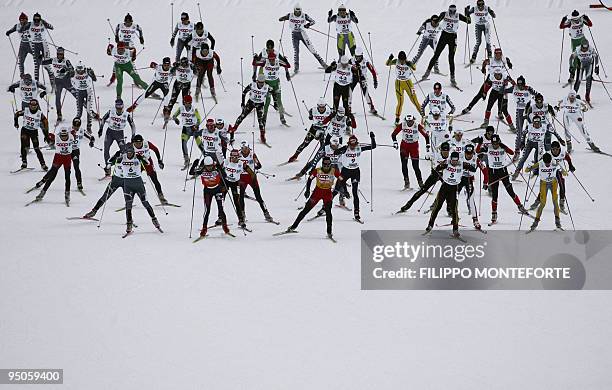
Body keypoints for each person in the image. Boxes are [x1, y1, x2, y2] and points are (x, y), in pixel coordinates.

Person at [281, 156, 340, 240]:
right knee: (305, 210)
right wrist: (307, 190)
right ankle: (293, 227)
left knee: (328, 212)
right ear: (322, 164)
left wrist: (344, 189)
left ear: (330, 164)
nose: (326, 166)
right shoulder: (317, 171)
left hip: (327, 194)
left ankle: (329, 232)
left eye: (328, 164)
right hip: (316, 194)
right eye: (324, 164)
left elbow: (341, 179)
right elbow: (309, 179)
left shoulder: (334, 171)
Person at [476, 134, 528, 225]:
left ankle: (520, 206)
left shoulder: (501, 147)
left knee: (510, 191)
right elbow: (477, 152)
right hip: (492, 172)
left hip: (503, 171)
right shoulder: (488, 147)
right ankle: (494, 214)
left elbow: (512, 153)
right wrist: (480, 144)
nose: (495, 145)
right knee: (495, 195)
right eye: (493, 143)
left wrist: (503, 145)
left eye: (496, 143)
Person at [112, 143, 162, 235]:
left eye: (131, 152)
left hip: (138, 184)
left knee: (145, 203)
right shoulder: (122, 157)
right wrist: (115, 156)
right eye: (128, 152)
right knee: (128, 205)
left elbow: (148, 163)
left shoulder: (138, 157)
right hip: (128, 185)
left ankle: (155, 221)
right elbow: (110, 163)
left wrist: (142, 158)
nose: (130, 154)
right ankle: (129, 224)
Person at [425, 151, 475, 237]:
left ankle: (455, 229)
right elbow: (436, 169)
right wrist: (441, 166)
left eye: (456, 160)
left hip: (454, 188)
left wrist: (468, 167)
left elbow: (473, 169)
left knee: (454, 209)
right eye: (453, 160)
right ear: (450, 159)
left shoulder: (462, 164)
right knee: (437, 206)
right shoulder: (447, 162)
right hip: (445, 187)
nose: (454, 162)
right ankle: (430, 225)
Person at [421, 4, 470, 86]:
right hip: (444, 35)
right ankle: (427, 73)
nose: (452, 13)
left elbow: (469, 21)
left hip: (453, 37)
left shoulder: (458, 15)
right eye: (451, 11)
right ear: (449, 10)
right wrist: (431, 21)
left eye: (454, 11)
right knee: (436, 55)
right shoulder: (444, 14)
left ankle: (452, 78)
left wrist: (467, 13)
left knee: (451, 58)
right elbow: (437, 21)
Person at [333, 132, 376, 222]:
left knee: (355, 193)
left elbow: (373, 146)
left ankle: (357, 214)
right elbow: (335, 152)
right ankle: (324, 208)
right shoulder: (346, 148)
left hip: (355, 172)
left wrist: (372, 137)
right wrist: (342, 149)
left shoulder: (359, 148)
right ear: (349, 144)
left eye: (354, 144)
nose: (353, 147)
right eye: (351, 145)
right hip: (345, 171)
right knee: (336, 189)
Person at [396, 142, 450, 213]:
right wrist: (427, 157)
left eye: (447, 151)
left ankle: (447, 210)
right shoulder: (436, 155)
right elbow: (427, 156)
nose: (445, 153)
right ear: (441, 150)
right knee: (422, 190)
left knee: (447, 191)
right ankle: (407, 205)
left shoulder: (451, 157)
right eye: (444, 151)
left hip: (444, 176)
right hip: (435, 174)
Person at [29, 127, 74, 206]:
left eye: (65, 135)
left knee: (67, 177)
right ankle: (42, 193)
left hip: (67, 158)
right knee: (52, 176)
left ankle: (67, 195)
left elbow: (76, 130)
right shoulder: (56, 137)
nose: (64, 137)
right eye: (62, 135)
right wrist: (48, 138)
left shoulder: (71, 136)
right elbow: (49, 135)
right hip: (58, 158)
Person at [279, 4, 327, 73]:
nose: (298, 13)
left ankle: (323, 64)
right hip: (294, 34)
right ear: (294, 10)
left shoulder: (304, 15)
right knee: (296, 51)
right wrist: (283, 18)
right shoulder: (290, 15)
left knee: (311, 49)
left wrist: (308, 25)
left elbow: (313, 21)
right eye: (296, 11)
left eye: (299, 11)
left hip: (302, 34)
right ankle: (296, 67)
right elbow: (281, 19)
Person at [191, 156, 231, 238]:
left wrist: (219, 167)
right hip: (207, 191)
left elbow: (225, 175)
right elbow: (191, 173)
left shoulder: (216, 169)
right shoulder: (202, 170)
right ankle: (204, 229)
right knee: (207, 210)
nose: (209, 168)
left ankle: (225, 226)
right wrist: (194, 164)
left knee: (220, 209)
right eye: (207, 166)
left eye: (211, 166)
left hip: (217, 190)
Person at [525, 152, 565, 231]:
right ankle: (536, 222)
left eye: (548, 163)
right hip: (543, 183)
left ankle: (557, 222)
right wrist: (529, 167)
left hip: (553, 183)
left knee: (555, 202)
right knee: (542, 203)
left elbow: (562, 170)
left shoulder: (554, 162)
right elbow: (527, 170)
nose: (547, 165)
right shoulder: (540, 163)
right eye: (546, 163)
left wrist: (564, 171)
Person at [237, 141, 275, 223]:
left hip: (252, 177)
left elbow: (259, 165)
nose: (244, 150)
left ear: (248, 147)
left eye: (246, 148)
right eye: (243, 148)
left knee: (258, 196)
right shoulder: (238, 155)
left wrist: (255, 166)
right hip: (242, 178)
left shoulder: (252, 154)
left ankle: (266, 213)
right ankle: (242, 215)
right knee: (241, 196)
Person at [252, 51, 291, 126]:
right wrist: (255, 58)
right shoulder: (265, 62)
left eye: (273, 59)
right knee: (267, 102)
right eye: (270, 59)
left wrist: (286, 61)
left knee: (279, 101)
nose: (272, 61)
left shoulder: (278, 62)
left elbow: (288, 66)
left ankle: (282, 118)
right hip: (267, 84)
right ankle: (264, 119)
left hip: (276, 83)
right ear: (268, 59)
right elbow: (255, 64)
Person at [286, 98, 331, 163]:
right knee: (305, 142)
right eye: (320, 107)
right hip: (314, 128)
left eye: (323, 107)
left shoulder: (329, 111)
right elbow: (310, 117)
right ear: (317, 105)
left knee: (322, 146)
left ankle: (325, 161)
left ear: (325, 106)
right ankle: (295, 156)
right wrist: (311, 116)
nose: (321, 108)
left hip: (324, 129)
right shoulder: (313, 110)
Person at [99, 99, 135, 177]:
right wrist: (101, 129)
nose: (119, 108)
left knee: (124, 151)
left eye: (120, 106)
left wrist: (133, 135)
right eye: (117, 106)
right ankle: (108, 170)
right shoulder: (111, 111)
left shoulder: (126, 114)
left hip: (119, 134)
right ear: (115, 106)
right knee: (106, 150)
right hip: (110, 133)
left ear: (123, 106)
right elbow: (103, 119)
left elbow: (132, 125)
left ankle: (127, 169)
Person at [230, 73, 270, 144]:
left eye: (262, 82)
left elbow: (274, 93)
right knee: (242, 116)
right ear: (257, 81)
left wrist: (275, 102)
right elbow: (244, 93)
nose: (261, 84)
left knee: (260, 121)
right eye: (259, 82)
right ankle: (234, 128)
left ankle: (262, 135)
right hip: (251, 103)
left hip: (260, 105)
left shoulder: (267, 87)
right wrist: (242, 103)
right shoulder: (252, 85)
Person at [391, 114, 429, 189]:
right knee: (404, 164)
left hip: (414, 146)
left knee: (415, 166)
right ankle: (406, 181)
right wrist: (395, 142)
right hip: (404, 146)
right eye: (408, 121)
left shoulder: (417, 126)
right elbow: (393, 134)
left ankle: (420, 182)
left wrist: (428, 145)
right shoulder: (403, 125)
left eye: (411, 121)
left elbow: (426, 136)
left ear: (413, 120)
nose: (409, 123)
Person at [221, 148, 255, 229]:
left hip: (235, 183)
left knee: (237, 201)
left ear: (238, 157)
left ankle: (241, 219)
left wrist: (252, 176)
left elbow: (250, 172)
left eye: (236, 157)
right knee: (222, 199)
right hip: (226, 182)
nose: (234, 159)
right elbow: (219, 169)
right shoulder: (226, 161)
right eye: (232, 157)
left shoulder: (241, 164)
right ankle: (220, 218)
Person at [108, 13, 145, 86]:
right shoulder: (120, 25)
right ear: (124, 21)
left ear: (131, 22)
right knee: (117, 60)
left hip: (130, 45)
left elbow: (140, 30)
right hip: (121, 44)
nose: (128, 24)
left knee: (131, 62)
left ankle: (136, 80)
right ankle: (113, 77)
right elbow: (117, 29)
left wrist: (141, 37)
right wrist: (116, 36)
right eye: (126, 22)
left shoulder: (135, 26)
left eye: (129, 22)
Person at [41, 47, 76, 123]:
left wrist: (67, 70)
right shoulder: (53, 60)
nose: (60, 55)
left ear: (63, 54)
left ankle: (90, 111)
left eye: (61, 54)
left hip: (66, 82)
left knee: (77, 95)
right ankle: (59, 115)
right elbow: (42, 62)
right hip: (57, 82)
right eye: (58, 54)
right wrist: (40, 58)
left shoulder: (66, 61)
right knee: (57, 99)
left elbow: (72, 69)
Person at [168, 94, 203, 169]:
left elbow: (199, 119)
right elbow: (174, 115)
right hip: (185, 129)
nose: (188, 104)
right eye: (186, 103)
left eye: (189, 103)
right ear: (184, 102)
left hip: (193, 128)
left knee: (198, 142)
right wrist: (175, 119)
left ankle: (205, 155)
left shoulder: (194, 109)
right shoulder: (181, 108)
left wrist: (196, 126)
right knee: (183, 143)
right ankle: (186, 160)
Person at [13, 99, 49, 170]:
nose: (33, 107)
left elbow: (45, 124)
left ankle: (43, 164)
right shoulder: (26, 110)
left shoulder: (40, 114)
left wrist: (46, 135)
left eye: (34, 106)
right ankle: (24, 162)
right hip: (25, 130)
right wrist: (16, 123)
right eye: (31, 106)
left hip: (34, 132)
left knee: (37, 148)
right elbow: (17, 114)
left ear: (37, 106)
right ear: (29, 105)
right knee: (24, 146)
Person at [386, 51, 420, 125]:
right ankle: (397, 119)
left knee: (414, 100)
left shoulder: (408, 62)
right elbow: (387, 64)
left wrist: (410, 64)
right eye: (400, 60)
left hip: (408, 83)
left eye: (403, 60)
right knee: (400, 102)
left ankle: (423, 115)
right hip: (398, 83)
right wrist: (389, 59)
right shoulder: (396, 61)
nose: (401, 61)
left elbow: (414, 68)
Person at [132, 134, 168, 205]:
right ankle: (130, 199)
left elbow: (155, 149)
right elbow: (123, 152)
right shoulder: (130, 145)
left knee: (154, 179)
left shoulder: (146, 144)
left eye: (140, 143)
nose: (138, 145)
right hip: (137, 164)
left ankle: (161, 197)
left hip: (148, 163)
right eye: (136, 143)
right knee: (133, 181)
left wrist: (159, 160)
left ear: (142, 141)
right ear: (134, 142)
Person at [560, 10, 593, 84]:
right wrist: (563, 20)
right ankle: (572, 76)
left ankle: (589, 74)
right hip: (575, 41)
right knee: (575, 58)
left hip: (582, 39)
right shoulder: (570, 22)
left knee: (588, 55)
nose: (576, 20)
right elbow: (561, 27)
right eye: (574, 19)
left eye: (576, 18)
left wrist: (587, 18)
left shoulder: (581, 19)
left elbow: (590, 24)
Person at [18, 12, 54, 82]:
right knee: (37, 65)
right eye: (35, 20)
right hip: (34, 45)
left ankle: (53, 82)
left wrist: (44, 22)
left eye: (38, 20)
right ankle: (37, 83)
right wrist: (25, 26)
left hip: (43, 44)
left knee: (47, 63)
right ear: (33, 19)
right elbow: (21, 30)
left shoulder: (42, 23)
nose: (36, 22)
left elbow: (52, 27)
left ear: (40, 19)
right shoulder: (30, 24)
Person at [70, 63, 97, 133]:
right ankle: (75, 127)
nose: (80, 72)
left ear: (84, 69)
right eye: (78, 71)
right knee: (79, 112)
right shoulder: (74, 73)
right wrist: (70, 74)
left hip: (88, 92)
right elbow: (70, 80)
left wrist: (92, 73)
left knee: (89, 110)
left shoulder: (87, 71)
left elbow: (94, 79)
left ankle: (89, 127)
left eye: (81, 71)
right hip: (79, 92)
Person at [351, 47, 378, 114]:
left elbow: (373, 71)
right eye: (356, 57)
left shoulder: (366, 62)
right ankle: (348, 108)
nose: (358, 58)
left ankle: (372, 108)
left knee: (366, 93)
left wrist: (375, 81)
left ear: (362, 55)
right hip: (353, 78)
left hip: (362, 78)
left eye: (359, 57)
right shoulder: (351, 60)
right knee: (349, 93)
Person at [5, 13, 33, 78]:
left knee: (38, 59)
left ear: (27, 19)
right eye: (21, 20)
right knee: (21, 61)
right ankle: (22, 76)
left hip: (31, 44)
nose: (22, 21)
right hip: (23, 45)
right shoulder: (17, 26)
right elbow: (12, 30)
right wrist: (8, 32)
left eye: (24, 20)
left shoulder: (30, 24)